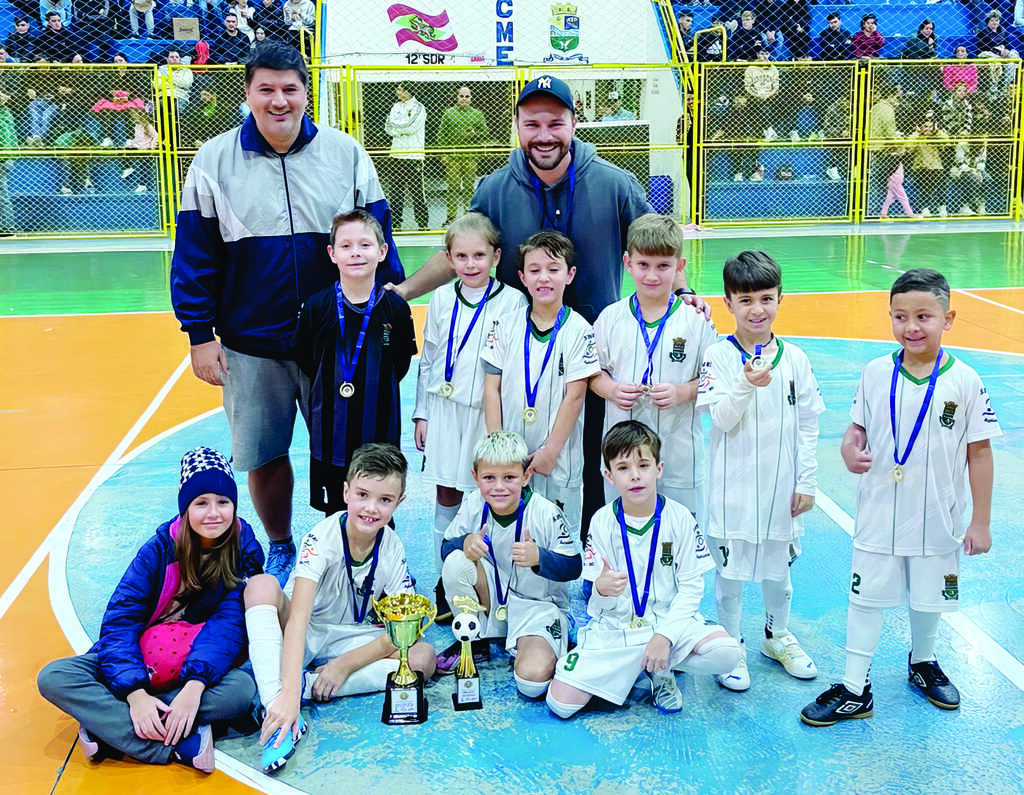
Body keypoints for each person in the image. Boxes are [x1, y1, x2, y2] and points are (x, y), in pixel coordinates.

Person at [390, 74, 707, 546]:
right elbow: (460, 251)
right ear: (516, 125)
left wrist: (682, 292)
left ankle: (590, 555)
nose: (543, 135)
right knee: (519, 458)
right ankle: (513, 552)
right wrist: (401, 292)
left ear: (574, 123)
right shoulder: (494, 189)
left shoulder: (614, 183)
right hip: (518, 359)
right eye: (531, 123)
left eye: (555, 123)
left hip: (595, 357)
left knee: (590, 462)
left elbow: (654, 242)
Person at [170, 43, 404, 585]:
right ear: (248, 92)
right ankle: (281, 545)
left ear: (306, 92)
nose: (279, 101)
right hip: (253, 341)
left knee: (353, 452)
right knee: (264, 452)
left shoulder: (345, 154)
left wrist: (386, 315)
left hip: (339, 339)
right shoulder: (213, 161)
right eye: (266, 89)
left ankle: (357, 544)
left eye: (290, 89)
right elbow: (195, 254)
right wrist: (199, 334)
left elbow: (378, 240)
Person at [801, 269, 1000, 726]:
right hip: (877, 513)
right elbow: (856, 430)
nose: (912, 326)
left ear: (947, 319)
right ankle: (854, 688)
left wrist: (981, 522)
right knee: (865, 597)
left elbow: (981, 452)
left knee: (929, 596)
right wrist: (850, 450)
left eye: (924, 316)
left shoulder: (965, 381)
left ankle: (923, 662)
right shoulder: (874, 373)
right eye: (900, 316)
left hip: (938, 515)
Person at [37, 448, 265, 773]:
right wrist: (134, 694)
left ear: (234, 505)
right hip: (143, 654)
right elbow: (121, 619)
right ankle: (173, 743)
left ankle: (109, 726)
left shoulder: (242, 548)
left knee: (241, 692)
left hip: (197, 659)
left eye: (223, 502)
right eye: (201, 503)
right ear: (185, 508)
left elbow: (228, 625)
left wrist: (194, 686)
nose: (213, 513)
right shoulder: (157, 551)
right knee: (56, 676)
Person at [243, 443, 435, 773]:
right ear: (346, 492)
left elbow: (403, 628)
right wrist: (288, 696)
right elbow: (298, 619)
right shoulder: (321, 539)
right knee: (260, 585)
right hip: (305, 632)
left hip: (352, 638)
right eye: (363, 494)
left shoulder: (392, 546)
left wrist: (343, 666)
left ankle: (306, 685)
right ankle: (280, 707)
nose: (371, 508)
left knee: (423, 658)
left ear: (399, 503)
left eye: (384, 500)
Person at [546, 420, 742, 718]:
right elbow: (597, 601)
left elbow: (691, 588)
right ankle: (648, 666)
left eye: (643, 465)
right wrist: (601, 588)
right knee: (560, 704)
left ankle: (660, 667)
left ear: (659, 468)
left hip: (667, 622)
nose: (635, 476)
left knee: (728, 654)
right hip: (617, 630)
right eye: (623, 468)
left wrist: (664, 636)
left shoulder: (680, 519)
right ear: (608, 476)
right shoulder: (601, 522)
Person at [696, 251, 825, 692]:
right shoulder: (716, 357)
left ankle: (776, 636)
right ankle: (730, 645)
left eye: (766, 298)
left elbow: (809, 424)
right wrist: (746, 385)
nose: (757, 309)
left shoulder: (796, 359)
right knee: (729, 576)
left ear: (780, 299)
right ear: (728, 303)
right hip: (730, 494)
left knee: (779, 573)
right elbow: (723, 420)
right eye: (746, 299)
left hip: (780, 492)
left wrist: (807, 481)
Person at [413, 212, 527, 615]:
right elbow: (428, 358)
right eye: (461, 256)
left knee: (489, 494)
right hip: (445, 410)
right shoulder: (442, 298)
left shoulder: (513, 300)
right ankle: (446, 580)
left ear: (496, 256)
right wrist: (421, 413)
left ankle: (494, 583)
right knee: (447, 492)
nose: (471, 264)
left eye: (479, 255)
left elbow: (515, 367)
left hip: (487, 415)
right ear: (449, 258)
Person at [590, 214, 718, 528]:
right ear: (628, 263)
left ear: (679, 266)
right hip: (622, 459)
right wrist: (612, 390)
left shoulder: (697, 321)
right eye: (643, 265)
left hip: (678, 457)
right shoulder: (610, 318)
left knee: (680, 541)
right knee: (625, 538)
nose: (652, 275)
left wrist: (681, 392)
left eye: (663, 266)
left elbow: (715, 380)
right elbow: (592, 374)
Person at [438, 430, 582, 699]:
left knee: (532, 683)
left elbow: (574, 567)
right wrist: (465, 542)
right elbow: (446, 547)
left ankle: (548, 642)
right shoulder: (474, 503)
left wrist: (541, 558)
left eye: (509, 478)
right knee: (456, 562)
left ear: (526, 476)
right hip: (491, 596)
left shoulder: (546, 512)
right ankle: (475, 638)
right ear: (475, 477)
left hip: (536, 606)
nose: (499, 487)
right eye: (489, 478)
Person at [292, 209, 416, 514]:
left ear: (382, 251)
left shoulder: (396, 309)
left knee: (379, 513)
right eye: (346, 246)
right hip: (330, 440)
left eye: (365, 244)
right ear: (332, 254)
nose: (356, 253)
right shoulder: (316, 307)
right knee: (336, 514)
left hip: (381, 438)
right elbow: (307, 362)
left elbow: (400, 364)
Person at [482, 230, 600, 539]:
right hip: (510, 457)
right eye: (534, 270)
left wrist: (551, 450)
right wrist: (499, 448)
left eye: (553, 269)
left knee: (558, 536)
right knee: (508, 531)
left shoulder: (579, 330)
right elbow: (491, 388)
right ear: (522, 276)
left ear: (570, 275)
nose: (543, 278)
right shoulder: (505, 324)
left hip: (559, 457)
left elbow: (576, 396)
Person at [435, 85, 489, 224]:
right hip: (452, 157)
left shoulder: (477, 114)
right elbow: (441, 135)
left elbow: (485, 132)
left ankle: (469, 215)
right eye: (461, 96)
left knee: (469, 187)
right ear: (457, 97)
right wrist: (443, 155)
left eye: (467, 96)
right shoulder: (449, 113)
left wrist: (474, 134)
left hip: (470, 157)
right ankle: (451, 217)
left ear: (471, 98)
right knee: (452, 187)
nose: (464, 99)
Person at [383, 82, 429, 230]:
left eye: (403, 90)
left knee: (417, 192)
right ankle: (396, 222)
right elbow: (388, 126)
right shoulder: (395, 107)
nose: (400, 93)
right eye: (398, 90)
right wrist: (400, 128)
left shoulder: (419, 108)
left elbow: (412, 127)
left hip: (414, 155)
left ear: (410, 91)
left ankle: (423, 223)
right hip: (396, 154)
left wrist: (398, 128)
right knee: (395, 190)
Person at [869, 82, 915, 219]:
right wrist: (901, 144)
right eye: (896, 98)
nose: (898, 102)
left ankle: (876, 212)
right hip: (882, 150)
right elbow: (889, 133)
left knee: (879, 182)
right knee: (880, 183)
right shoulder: (888, 110)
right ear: (890, 96)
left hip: (874, 147)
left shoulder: (876, 107)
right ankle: (875, 213)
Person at [908, 115, 949, 217]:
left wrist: (937, 131)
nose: (928, 129)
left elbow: (947, 141)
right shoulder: (917, 137)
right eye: (925, 126)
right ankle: (924, 208)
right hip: (921, 168)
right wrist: (917, 132)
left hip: (936, 167)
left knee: (941, 182)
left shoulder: (936, 137)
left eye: (930, 127)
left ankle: (942, 207)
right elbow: (908, 145)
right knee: (926, 183)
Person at [976, 10, 1019, 96]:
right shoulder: (982, 32)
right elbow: (984, 47)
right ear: (988, 22)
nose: (994, 22)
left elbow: (1007, 44)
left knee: (1013, 58)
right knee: (995, 62)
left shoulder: (1003, 31)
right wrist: (999, 50)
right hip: (986, 53)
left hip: (1001, 53)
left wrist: (1005, 50)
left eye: (996, 20)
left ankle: (1004, 88)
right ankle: (993, 88)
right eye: (992, 20)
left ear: (999, 21)